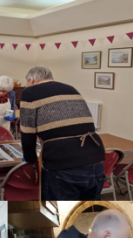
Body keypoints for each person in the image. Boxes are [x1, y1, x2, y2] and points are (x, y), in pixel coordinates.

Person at [19, 66, 107, 200]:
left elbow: (27, 132)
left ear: (31, 80)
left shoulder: (29, 92)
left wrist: (30, 158)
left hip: (63, 163)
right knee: (89, 210)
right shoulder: (70, 88)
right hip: (96, 158)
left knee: (58, 213)